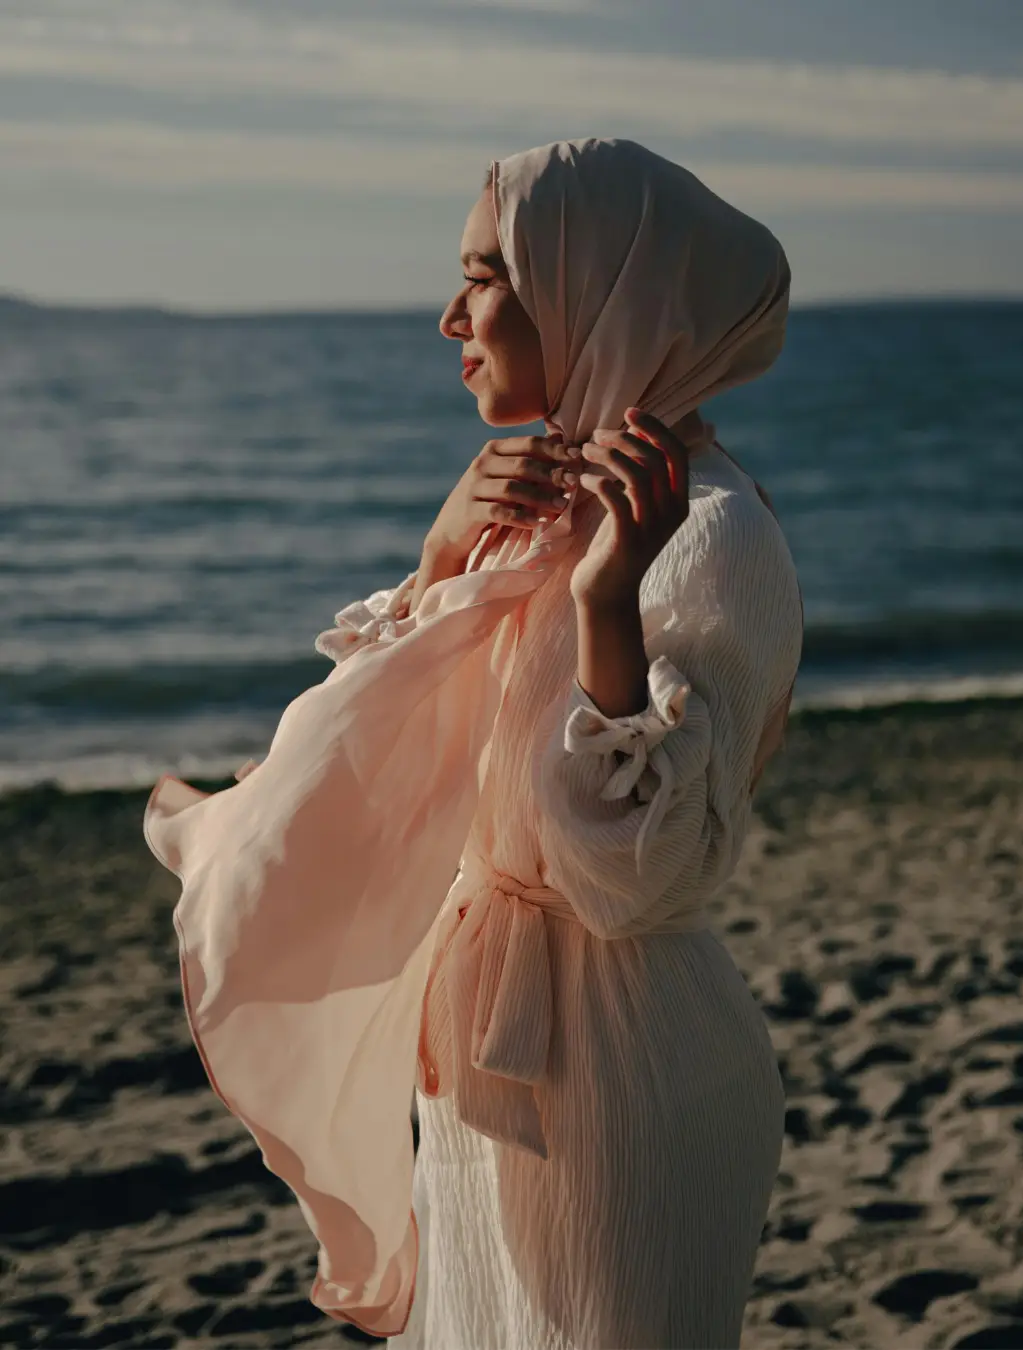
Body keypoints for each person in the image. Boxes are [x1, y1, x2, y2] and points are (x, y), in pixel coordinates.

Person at [144, 137, 803, 1350]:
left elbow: (638, 882)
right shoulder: (526, 504)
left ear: (591, 287)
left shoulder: (717, 538)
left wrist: (608, 603)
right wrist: (444, 558)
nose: (452, 314)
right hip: (477, 1062)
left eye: (487, 275)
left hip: (627, 1079)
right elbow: (384, 764)